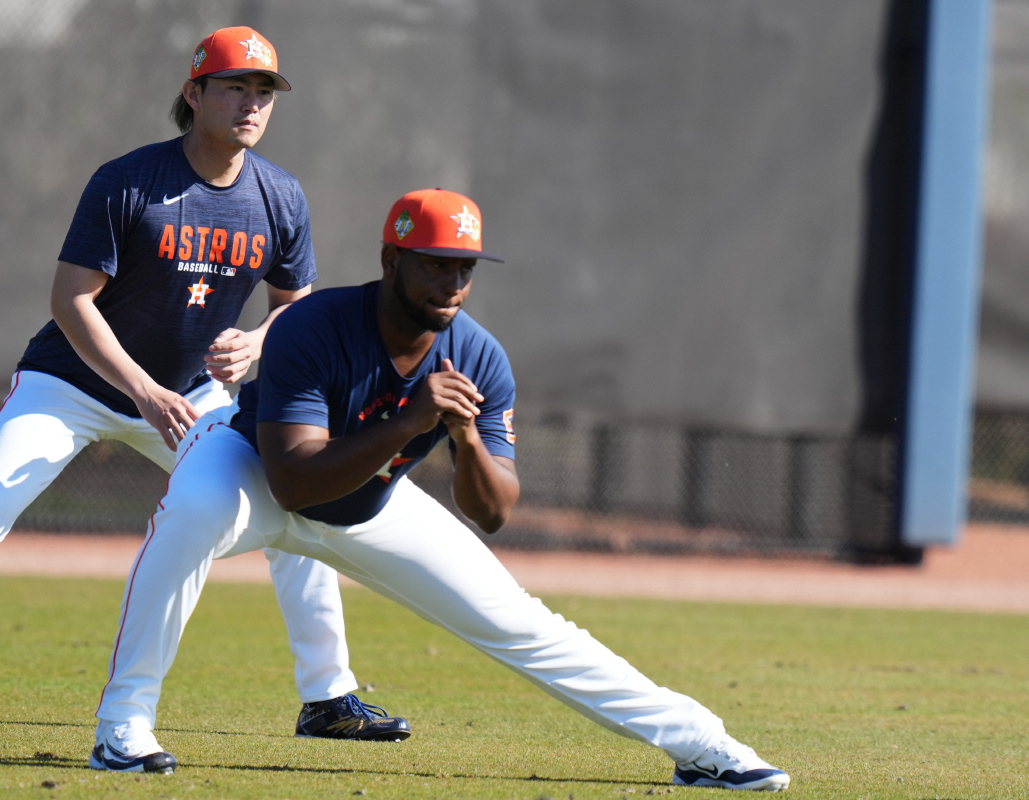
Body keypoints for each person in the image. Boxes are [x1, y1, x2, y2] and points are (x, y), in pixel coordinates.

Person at [87, 188, 791, 791]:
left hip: (371, 505)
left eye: (465, 267)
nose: (452, 281)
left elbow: (493, 511)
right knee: (189, 515)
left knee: (523, 624)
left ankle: (702, 745)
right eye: (436, 264)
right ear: (392, 260)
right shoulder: (315, 326)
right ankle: (123, 727)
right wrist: (411, 420)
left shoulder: (479, 355)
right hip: (251, 474)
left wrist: (467, 440)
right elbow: (295, 484)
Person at [0, 26, 409, 745]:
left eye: (264, 91)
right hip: (70, 383)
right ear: (194, 92)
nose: (252, 102)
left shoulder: (279, 196)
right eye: (235, 85)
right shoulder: (130, 181)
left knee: (290, 505)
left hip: (189, 395)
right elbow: (71, 300)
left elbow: (296, 303)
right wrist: (141, 390)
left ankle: (327, 698)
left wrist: (259, 341)